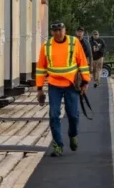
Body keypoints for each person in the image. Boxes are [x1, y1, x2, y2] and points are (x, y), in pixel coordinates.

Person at [37, 21, 91, 157]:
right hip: (54, 85)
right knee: (54, 115)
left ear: (64, 30)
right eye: (54, 30)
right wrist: (39, 89)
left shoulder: (74, 43)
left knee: (73, 115)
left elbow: (83, 63)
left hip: (71, 85)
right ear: (51, 32)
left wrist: (85, 82)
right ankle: (58, 146)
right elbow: (41, 69)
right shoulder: (46, 46)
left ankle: (73, 135)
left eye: (60, 30)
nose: (57, 33)